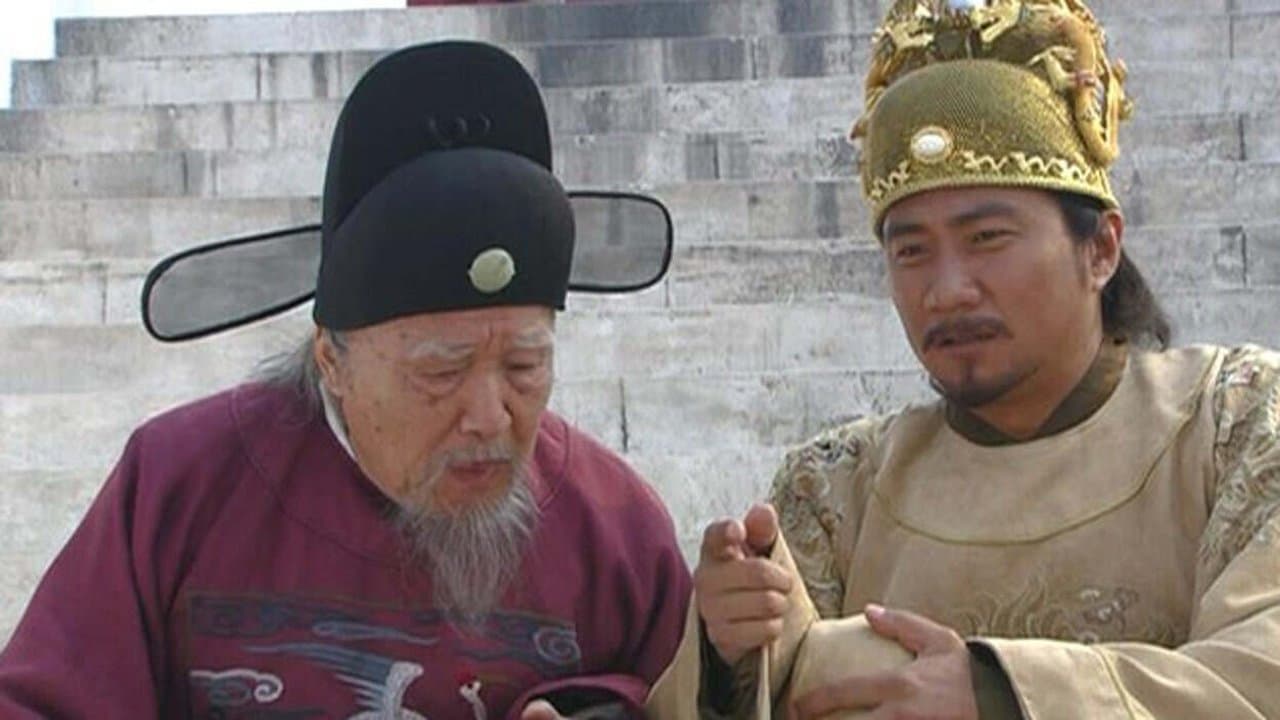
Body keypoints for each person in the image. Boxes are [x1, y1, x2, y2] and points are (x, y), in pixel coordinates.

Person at [0, 41, 690, 720]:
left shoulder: (615, 529)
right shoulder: (179, 485)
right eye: (441, 371)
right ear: (331, 361)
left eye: (524, 365)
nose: (490, 416)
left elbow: (684, 692)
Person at [646, 1, 1280, 718]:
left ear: (1100, 249)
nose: (946, 290)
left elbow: (1262, 673)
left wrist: (998, 693)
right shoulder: (834, 490)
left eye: (987, 239)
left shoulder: (1235, 424)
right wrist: (729, 653)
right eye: (911, 251)